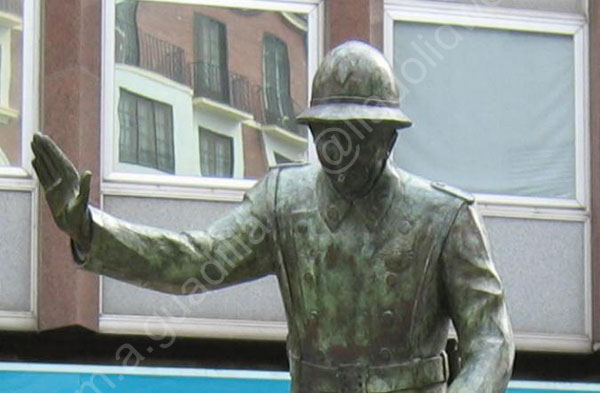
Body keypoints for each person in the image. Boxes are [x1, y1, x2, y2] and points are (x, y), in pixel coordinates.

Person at [31, 40, 514, 393]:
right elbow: (196, 260)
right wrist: (91, 230)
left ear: (387, 139)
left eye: (352, 134)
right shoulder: (285, 202)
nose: (335, 151)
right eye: (325, 132)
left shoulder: (444, 218)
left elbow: (490, 338)